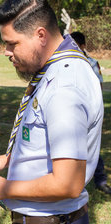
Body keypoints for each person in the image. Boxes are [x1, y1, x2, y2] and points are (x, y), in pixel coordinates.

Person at [0, 1, 103, 223]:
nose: (6, 52)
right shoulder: (55, 70)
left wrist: (6, 188)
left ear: (41, 35)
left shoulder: (64, 87)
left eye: (12, 44)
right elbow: (45, 141)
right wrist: (6, 160)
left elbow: (68, 183)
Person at [70, 31, 111, 195]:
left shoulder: (92, 64)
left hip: (88, 112)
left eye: (75, 46)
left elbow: (98, 90)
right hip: (71, 111)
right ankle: (71, 180)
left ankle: (100, 180)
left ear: (82, 46)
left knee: (93, 147)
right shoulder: (65, 63)